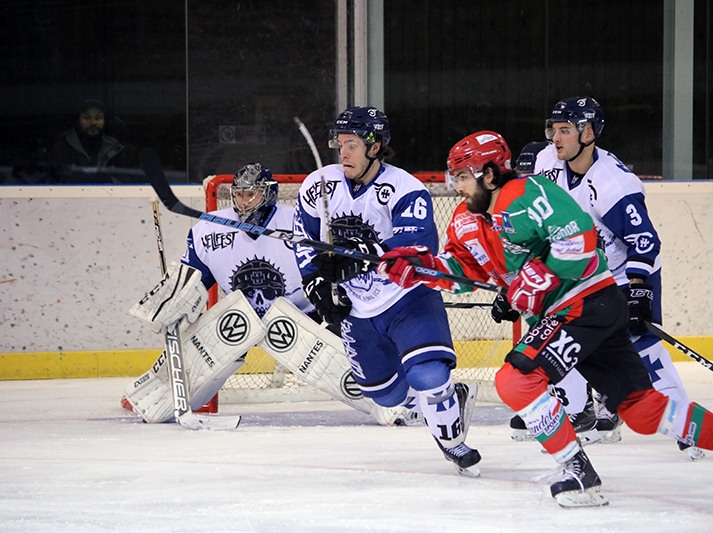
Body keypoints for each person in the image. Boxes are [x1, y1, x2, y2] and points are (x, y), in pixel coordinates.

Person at [376, 131, 713, 507]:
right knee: (642, 411)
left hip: (584, 303)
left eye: (462, 178)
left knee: (515, 380)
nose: (456, 189)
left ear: (488, 174)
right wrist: (423, 268)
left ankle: (579, 472)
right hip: (575, 312)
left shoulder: (525, 192)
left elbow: (577, 236)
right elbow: (466, 269)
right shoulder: (469, 221)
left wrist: (542, 275)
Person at [125, 163, 416, 426]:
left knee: (346, 351)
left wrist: (337, 295)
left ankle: (402, 400)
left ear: (269, 194)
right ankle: (157, 391)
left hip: (305, 312)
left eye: (251, 194)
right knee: (215, 338)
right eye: (238, 195)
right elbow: (192, 275)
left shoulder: (300, 222)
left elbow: (331, 265)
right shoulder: (209, 230)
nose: (243, 201)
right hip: (243, 314)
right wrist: (172, 298)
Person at [293, 106, 482, 476]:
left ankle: (454, 444)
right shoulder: (319, 185)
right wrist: (316, 281)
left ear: (375, 146)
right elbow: (304, 240)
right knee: (385, 395)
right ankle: (446, 400)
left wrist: (365, 255)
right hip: (358, 309)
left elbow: (418, 242)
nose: (343, 152)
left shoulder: (405, 188)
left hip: (407, 297)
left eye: (351, 144)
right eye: (339, 143)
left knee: (428, 373)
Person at [523, 96, 703, 458]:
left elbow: (645, 242)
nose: (555, 138)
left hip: (626, 272)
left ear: (588, 133)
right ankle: (585, 412)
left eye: (564, 130)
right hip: (584, 273)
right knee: (565, 337)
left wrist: (637, 293)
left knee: (643, 349)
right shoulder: (546, 162)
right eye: (552, 129)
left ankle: (688, 425)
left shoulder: (614, 184)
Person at [50, 99, 126, 183]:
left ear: (104, 121)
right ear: (78, 121)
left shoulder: (115, 147)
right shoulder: (63, 146)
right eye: (87, 118)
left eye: (98, 118)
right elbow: (58, 180)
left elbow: (124, 179)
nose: (93, 123)